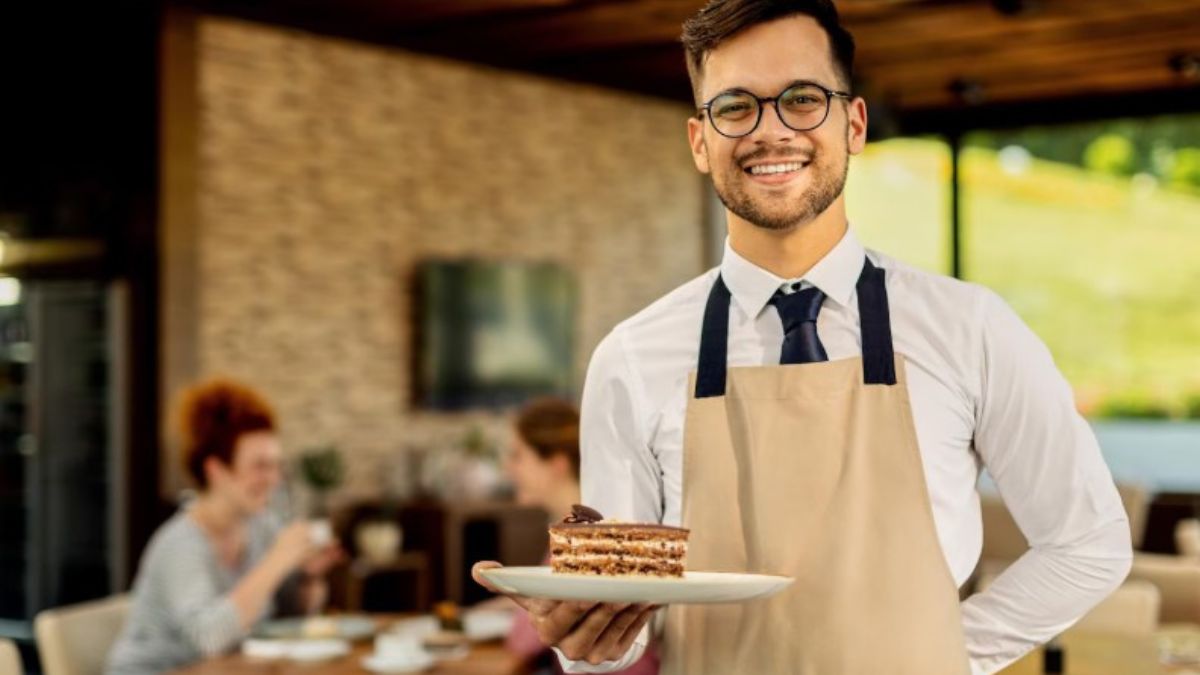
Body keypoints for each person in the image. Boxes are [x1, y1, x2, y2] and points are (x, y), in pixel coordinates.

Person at [474, 1, 1133, 674]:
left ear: (853, 123)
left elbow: (1088, 540)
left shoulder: (971, 329)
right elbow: (617, 628)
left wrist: (947, 654)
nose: (772, 130)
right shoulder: (632, 358)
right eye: (736, 107)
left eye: (802, 99)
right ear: (701, 142)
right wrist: (587, 640)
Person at [107, 379, 343, 675]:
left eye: (276, 465)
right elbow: (210, 639)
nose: (274, 479)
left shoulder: (261, 527)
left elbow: (287, 616)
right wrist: (279, 559)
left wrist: (308, 577)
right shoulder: (180, 543)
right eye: (260, 466)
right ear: (216, 470)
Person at [498, 398, 658, 675]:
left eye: (518, 455)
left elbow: (522, 641)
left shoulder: (584, 538)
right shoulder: (597, 520)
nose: (509, 469)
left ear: (557, 463)